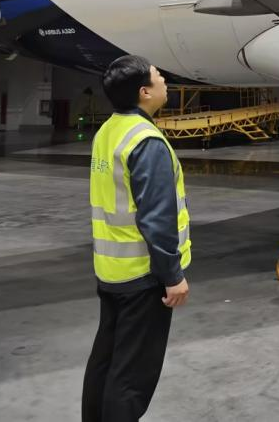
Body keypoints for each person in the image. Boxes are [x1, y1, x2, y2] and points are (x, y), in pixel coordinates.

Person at [83, 55, 191, 422]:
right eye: (159, 77)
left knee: (106, 362)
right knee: (132, 379)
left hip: (111, 270)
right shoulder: (147, 140)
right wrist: (172, 275)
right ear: (145, 92)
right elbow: (157, 217)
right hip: (144, 275)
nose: (165, 82)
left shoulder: (108, 131)